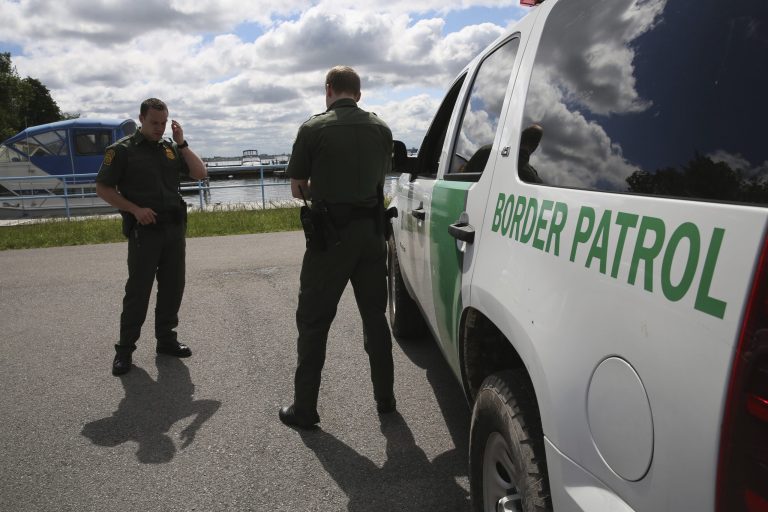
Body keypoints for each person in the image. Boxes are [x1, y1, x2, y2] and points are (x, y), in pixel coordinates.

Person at [279, 66, 396, 429]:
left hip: (330, 239)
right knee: (375, 319)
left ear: (328, 89)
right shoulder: (381, 129)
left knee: (313, 322)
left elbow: (298, 187)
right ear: (358, 93)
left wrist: (323, 189)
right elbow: (379, 176)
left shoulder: (313, 128)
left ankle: (305, 407)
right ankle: (385, 399)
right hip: (372, 236)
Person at [96, 98, 207, 376]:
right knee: (138, 291)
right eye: (154, 123)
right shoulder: (121, 151)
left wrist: (182, 143)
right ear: (141, 119)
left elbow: (200, 173)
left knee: (173, 287)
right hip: (145, 232)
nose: (159, 128)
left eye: (163, 123)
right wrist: (134, 209)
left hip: (173, 229)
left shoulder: (170, 148)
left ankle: (166, 340)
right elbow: (103, 188)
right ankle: (124, 351)